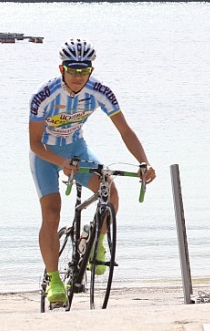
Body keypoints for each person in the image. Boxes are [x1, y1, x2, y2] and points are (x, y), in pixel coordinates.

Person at [29, 38, 156, 305]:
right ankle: (54, 279)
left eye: (83, 71)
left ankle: (96, 241)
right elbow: (34, 143)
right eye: (72, 70)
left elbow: (125, 131)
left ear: (91, 71)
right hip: (45, 154)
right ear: (61, 69)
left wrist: (144, 162)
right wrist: (60, 163)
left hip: (77, 149)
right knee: (52, 211)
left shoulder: (101, 92)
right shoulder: (44, 95)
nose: (77, 77)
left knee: (110, 190)